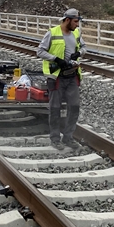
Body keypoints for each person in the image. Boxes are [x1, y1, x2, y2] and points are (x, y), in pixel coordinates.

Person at [37, 8, 86, 151]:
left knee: (74, 106)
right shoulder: (52, 33)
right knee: (55, 108)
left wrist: (79, 53)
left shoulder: (76, 33)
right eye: (76, 21)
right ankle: (55, 138)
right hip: (57, 76)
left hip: (72, 76)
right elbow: (40, 51)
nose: (77, 25)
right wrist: (56, 59)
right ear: (67, 20)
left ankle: (68, 137)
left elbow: (84, 47)